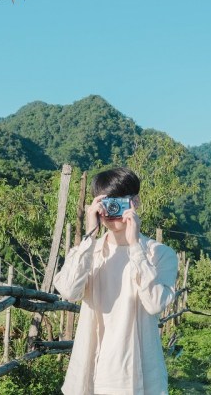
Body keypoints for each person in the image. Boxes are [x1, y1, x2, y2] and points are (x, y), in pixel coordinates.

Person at [53, 167, 178, 395]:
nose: (112, 211)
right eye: (106, 203)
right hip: (92, 369)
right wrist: (90, 234)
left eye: (118, 202)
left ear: (135, 202)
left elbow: (155, 304)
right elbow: (69, 291)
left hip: (140, 371)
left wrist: (135, 247)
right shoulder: (89, 252)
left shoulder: (159, 254)